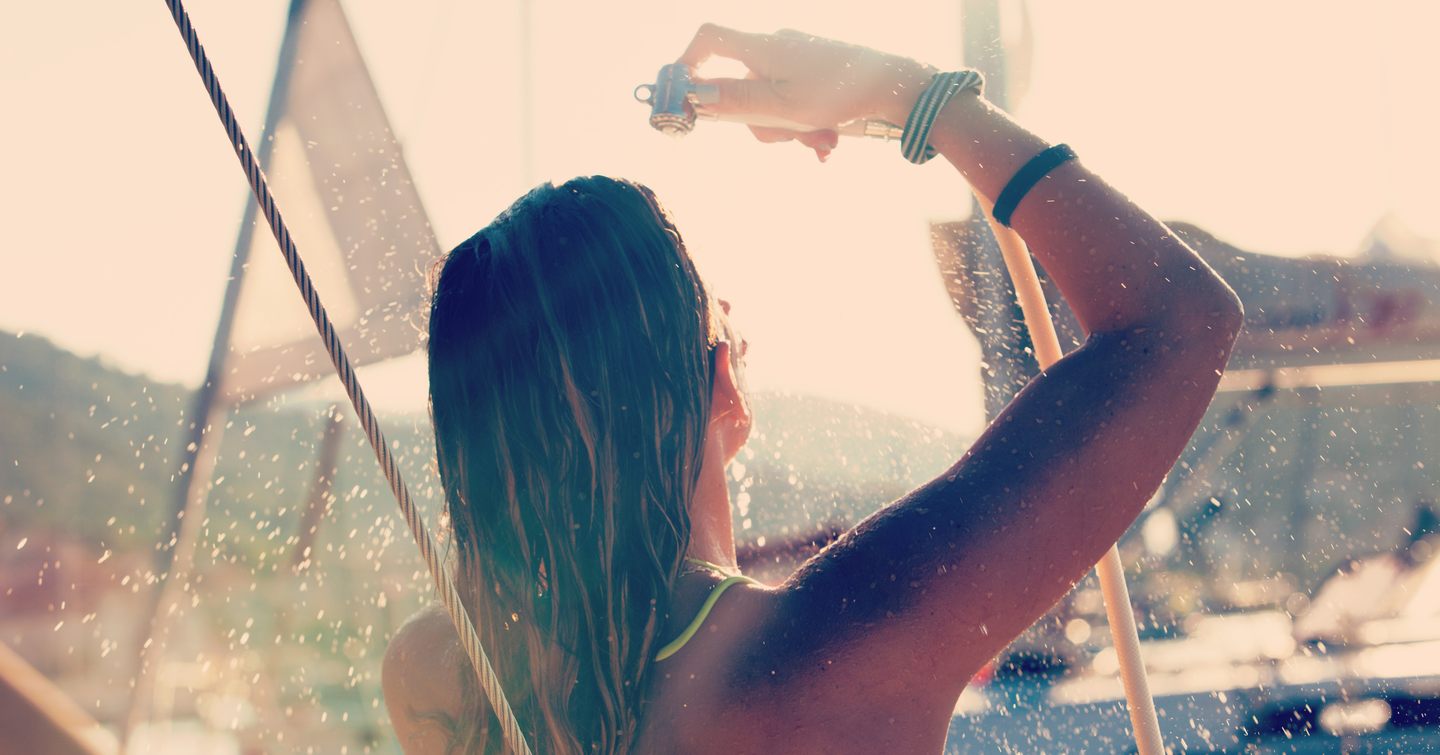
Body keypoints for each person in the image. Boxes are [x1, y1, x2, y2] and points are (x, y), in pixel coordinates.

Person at [382, 24, 1244, 755]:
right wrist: (914, 97)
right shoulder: (834, 648)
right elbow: (1181, 320)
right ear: (722, 380)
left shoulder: (441, 681)